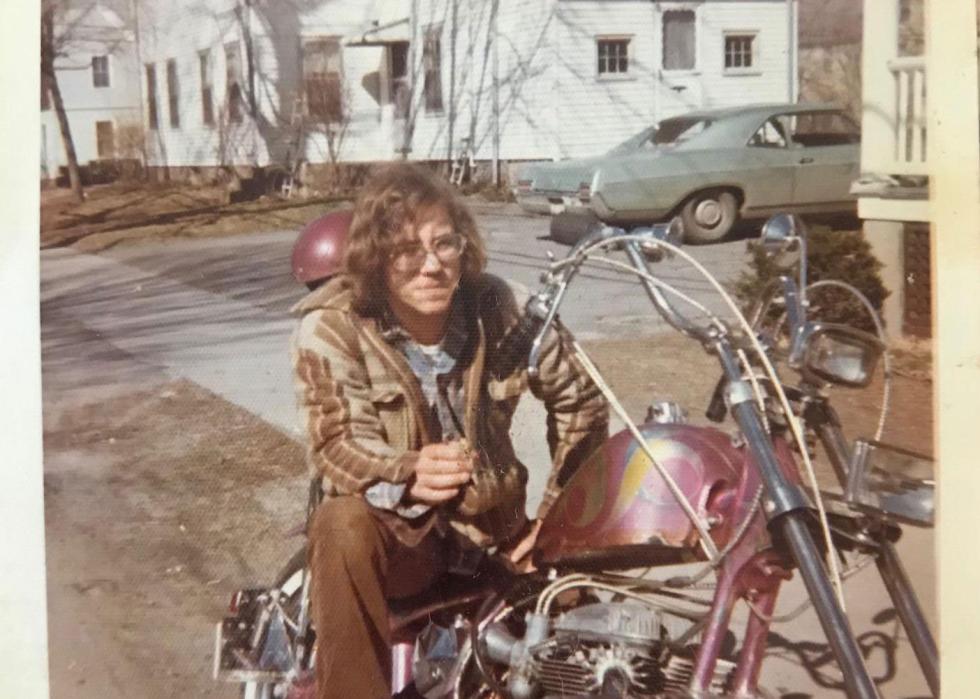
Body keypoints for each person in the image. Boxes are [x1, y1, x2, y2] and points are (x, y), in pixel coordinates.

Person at [290, 162, 609, 698]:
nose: (431, 265)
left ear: (464, 247)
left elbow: (583, 402)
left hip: (499, 538)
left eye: (445, 244)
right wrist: (407, 471)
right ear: (376, 257)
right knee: (340, 521)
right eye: (408, 250)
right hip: (404, 545)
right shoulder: (334, 325)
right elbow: (335, 444)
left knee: (600, 651)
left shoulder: (500, 305)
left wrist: (555, 522)